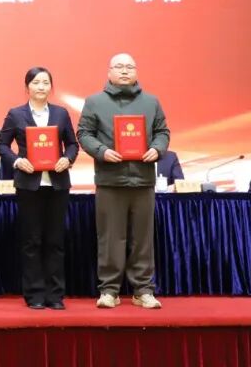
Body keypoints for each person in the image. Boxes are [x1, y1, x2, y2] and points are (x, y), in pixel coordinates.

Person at [77, 54, 169, 310]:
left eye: (129, 67)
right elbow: (84, 133)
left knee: (143, 239)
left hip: (143, 180)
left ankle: (143, 290)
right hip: (110, 181)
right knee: (110, 239)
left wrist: (157, 148)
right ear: (109, 72)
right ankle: (109, 290)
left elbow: (162, 131)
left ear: (136, 72)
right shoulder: (94, 102)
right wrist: (102, 151)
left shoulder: (151, 102)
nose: (125, 71)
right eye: (119, 66)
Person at [0, 67, 78, 309]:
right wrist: (17, 161)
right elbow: (2, 145)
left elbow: (72, 144)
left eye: (45, 82)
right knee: (31, 242)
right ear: (27, 87)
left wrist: (67, 159)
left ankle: (55, 296)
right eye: (36, 82)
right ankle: (34, 295)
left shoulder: (61, 113)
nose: (41, 87)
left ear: (51, 87)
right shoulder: (16, 114)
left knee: (55, 241)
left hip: (57, 185)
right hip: (28, 186)